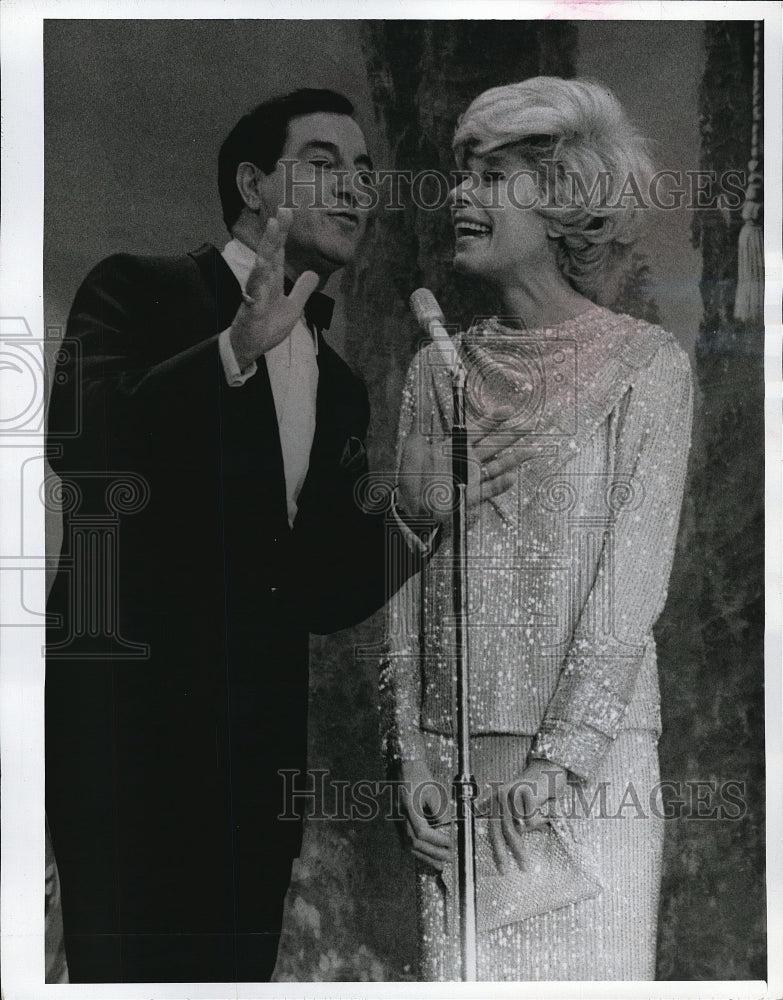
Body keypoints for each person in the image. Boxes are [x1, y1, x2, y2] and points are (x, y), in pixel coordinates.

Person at [45, 87, 522, 985]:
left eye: (366, 173)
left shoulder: (340, 385)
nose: (354, 188)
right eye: (323, 162)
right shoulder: (136, 287)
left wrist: (413, 520)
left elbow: (312, 590)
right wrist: (230, 350)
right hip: (126, 753)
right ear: (254, 184)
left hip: (256, 774)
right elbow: (83, 447)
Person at [381, 77, 694, 981]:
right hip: (453, 771)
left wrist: (558, 767)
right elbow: (400, 585)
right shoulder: (436, 372)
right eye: (460, 174)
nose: (458, 196)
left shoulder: (649, 368)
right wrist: (410, 761)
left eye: (488, 176)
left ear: (561, 197)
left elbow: (628, 592)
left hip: (591, 778)